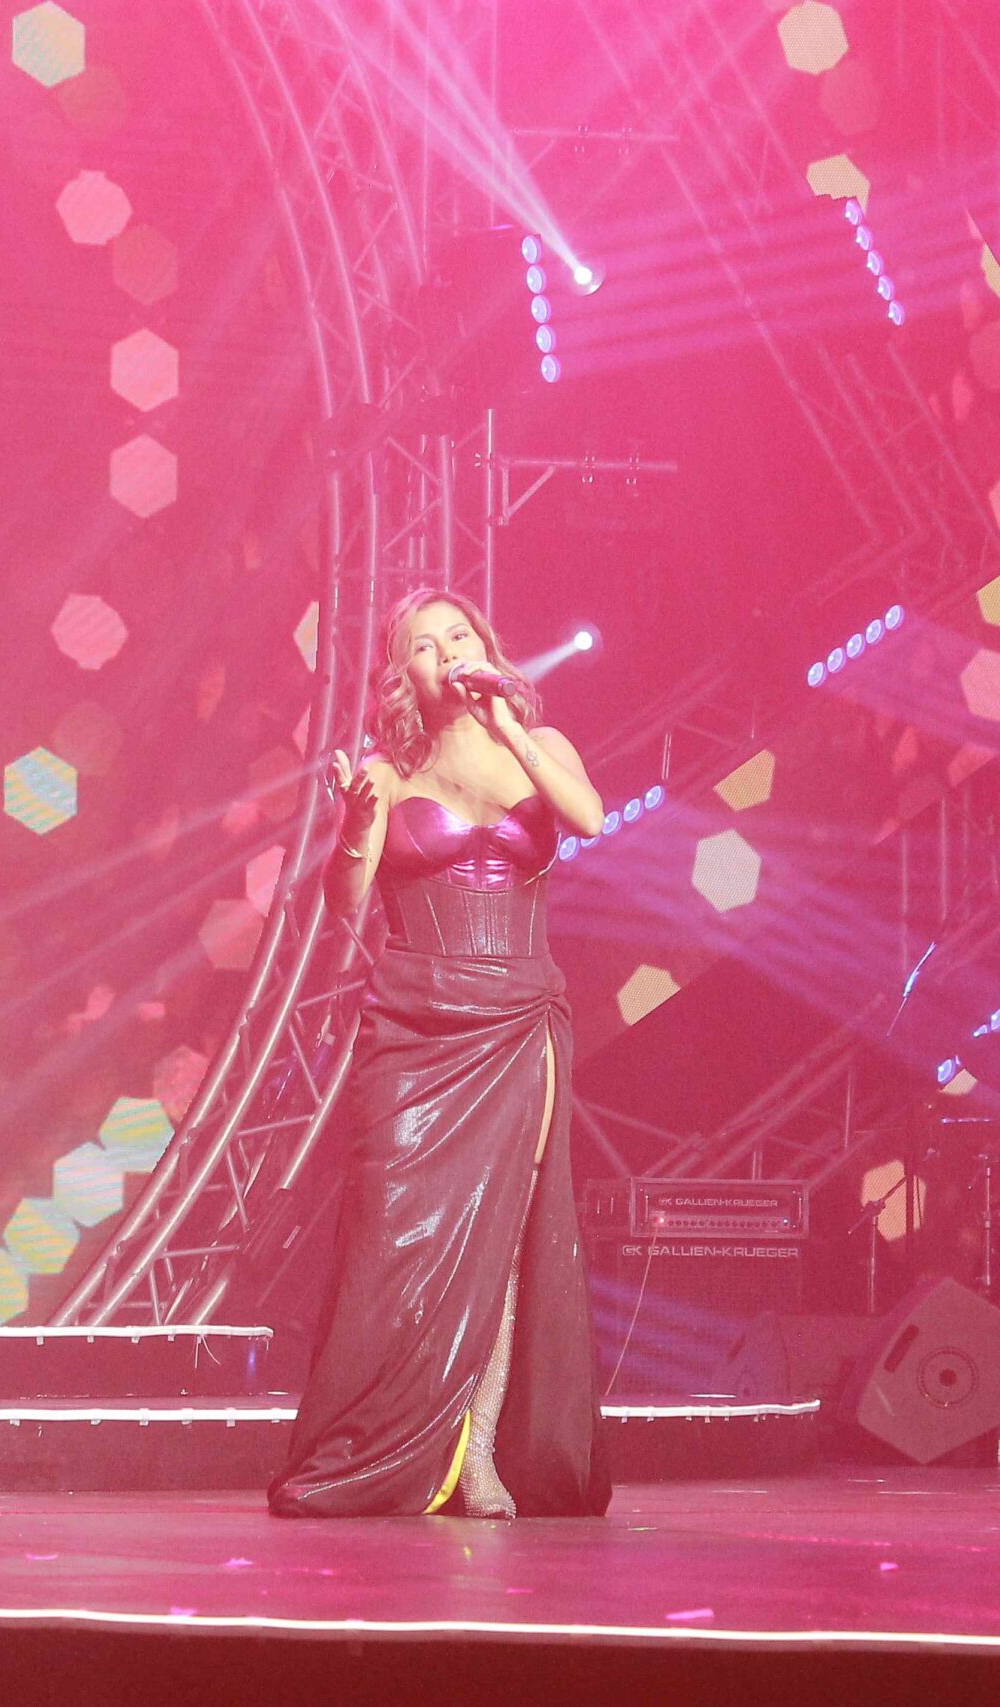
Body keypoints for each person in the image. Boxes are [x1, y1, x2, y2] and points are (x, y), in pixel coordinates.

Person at [268, 587, 614, 1519]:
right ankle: (379, 1436)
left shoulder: (540, 745)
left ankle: (480, 1455)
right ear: (404, 678)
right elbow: (346, 906)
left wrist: (511, 729)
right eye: (424, 645)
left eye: (458, 633)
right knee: (393, 1234)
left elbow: (588, 819)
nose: (446, 650)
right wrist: (354, 826)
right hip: (416, 1024)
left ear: (486, 648)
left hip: (517, 1015)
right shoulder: (387, 774)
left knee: (503, 1238)